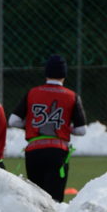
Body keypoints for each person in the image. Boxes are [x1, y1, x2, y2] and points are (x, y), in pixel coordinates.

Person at [8, 54, 87, 202]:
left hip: (34, 151)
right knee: (54, 200)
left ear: (46, 73)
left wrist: (30, 125)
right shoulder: (72, 96)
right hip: (58, 152)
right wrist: (65, 127)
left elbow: (13, 121)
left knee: (36, 199)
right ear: (64, 75)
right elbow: (81, 130)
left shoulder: (32, 92)